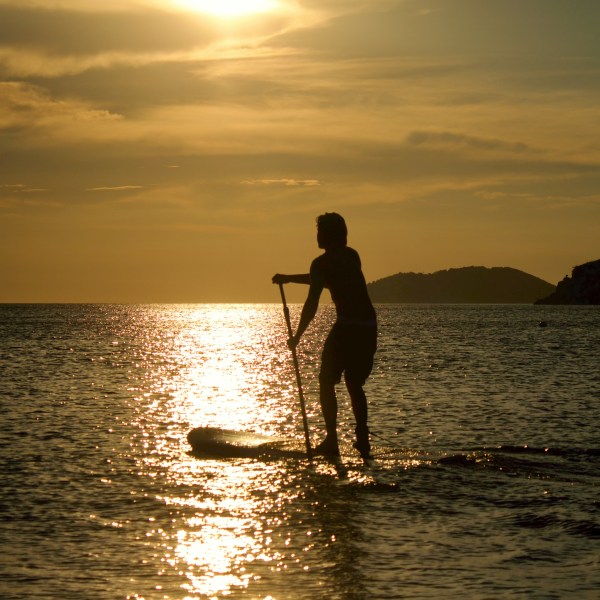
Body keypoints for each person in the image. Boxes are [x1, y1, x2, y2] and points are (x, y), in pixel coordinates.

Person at [272, 213, 377, 459]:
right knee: (353, 383)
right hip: (368, 326)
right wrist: (289, 279)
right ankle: (362, 437)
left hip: (348, 328)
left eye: (320, 232)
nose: (317, 237)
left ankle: (332, 439)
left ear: (328, 236)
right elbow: (324, 280)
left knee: (325, 380)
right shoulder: (352, 256)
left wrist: (297, 336)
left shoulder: (321, 264)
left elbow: (313, 301)